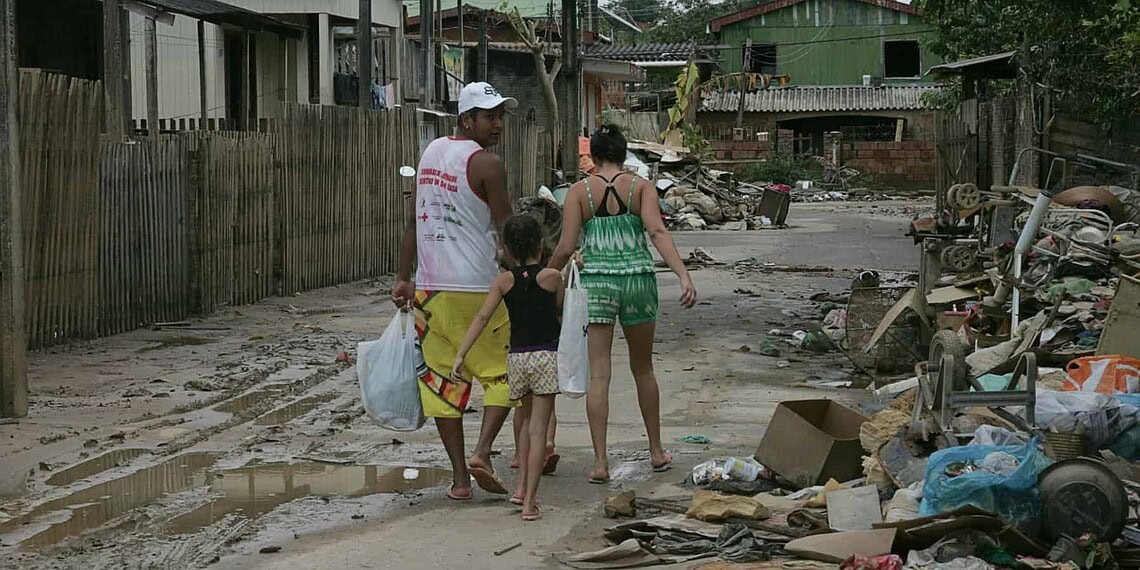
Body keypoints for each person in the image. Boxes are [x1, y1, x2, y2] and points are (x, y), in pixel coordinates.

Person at [549, 124, 697, 484]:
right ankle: (657, 451)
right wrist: (683, 275)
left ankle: (600, 462)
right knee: (643, 369)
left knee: (600, 374)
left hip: (597, 284)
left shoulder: (579, 192)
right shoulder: (641, 187)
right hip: (637, 281)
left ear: (593, 155)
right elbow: (657, 232)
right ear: (623, 152)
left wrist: (548, 275)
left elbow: (566, 247)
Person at [391, 82, 518, 500]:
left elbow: (414, 220)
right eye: (489, 117)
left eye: (500, 116)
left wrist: (403, 276)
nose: (497, 125)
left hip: (431, 292)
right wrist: (526, 274)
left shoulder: (430, 154)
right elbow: (507, 229)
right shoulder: (488, 164)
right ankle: (482, 451)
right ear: (467, 119)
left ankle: (461, 480)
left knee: (443, 386)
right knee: (503, 375)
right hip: (478, 289)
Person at [453, 214, 564, 521]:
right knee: (539, 428)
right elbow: (560, 311)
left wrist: (461, 354)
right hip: (545, 357)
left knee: (525, 422)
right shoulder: (553, 277)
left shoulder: (503, 281)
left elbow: (482, 317)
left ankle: (520, 489)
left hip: (516, 359)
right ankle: (530, 503)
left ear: (508, 250)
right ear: (540, 244)